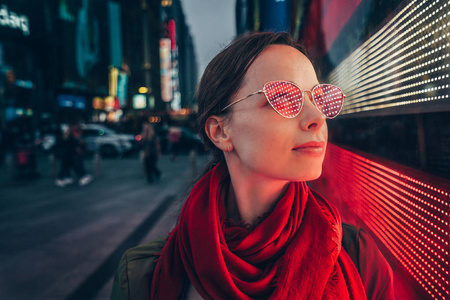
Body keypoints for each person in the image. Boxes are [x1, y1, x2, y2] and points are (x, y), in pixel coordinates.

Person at [111, 32, 394, 299]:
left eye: (318, 98)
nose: (317, 118)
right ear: (220, 132)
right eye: (283, 98)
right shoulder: (141, 276)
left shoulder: (361, 259)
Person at [55, 122, 92, 187]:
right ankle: (63, 179)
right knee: (70, 167)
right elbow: (73, 143)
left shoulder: (69, 135)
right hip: (69, 154)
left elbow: (75, 143)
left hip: (70, 154)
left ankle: (66, 178)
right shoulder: (68, 136)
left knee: (69, 167)